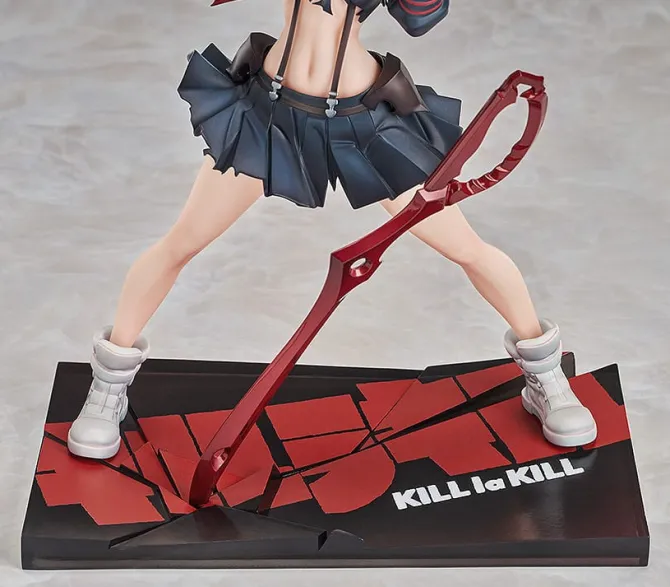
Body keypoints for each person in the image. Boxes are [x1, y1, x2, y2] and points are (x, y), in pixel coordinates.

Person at [66, 0, 597, 462]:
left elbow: (422, 18)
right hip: (270, 114)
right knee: (180, 243)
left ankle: (545, 376)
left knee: (467, 249)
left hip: (362, 121)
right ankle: (108, 387)